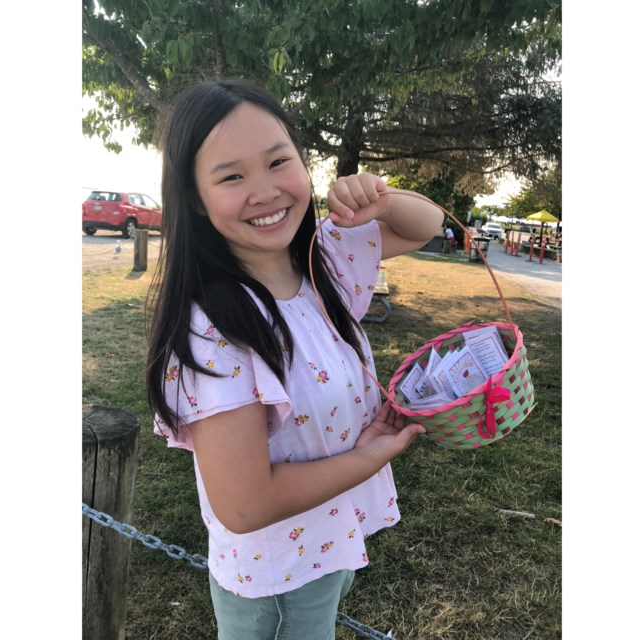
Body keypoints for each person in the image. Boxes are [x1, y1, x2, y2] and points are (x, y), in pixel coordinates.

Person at [145, 79, 443, 640]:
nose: (264, 191)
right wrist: (371, 456)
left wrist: (380, 200)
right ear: (194, 198)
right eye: (232, 176)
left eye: (279, 161)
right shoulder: (212, 331)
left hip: (328, 543)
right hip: (278, 576)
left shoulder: (321, 260)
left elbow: (425, 226)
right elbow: (245, 504)